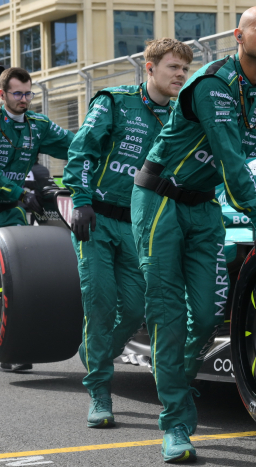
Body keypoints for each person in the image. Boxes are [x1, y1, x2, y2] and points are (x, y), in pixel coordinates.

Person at [131, 5, 256, 463]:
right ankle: (176, 421)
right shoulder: (213, 84)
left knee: (203, 314)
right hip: (158, 199)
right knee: (166, 313)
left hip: (201, 207)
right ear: (239, 36)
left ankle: (175, 380)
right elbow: (231, 161)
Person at [62, 38, 192, 429]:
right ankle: (100, 391)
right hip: (96, 219)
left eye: (185, 69)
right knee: (99, 302)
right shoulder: (114, 101)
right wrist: (81, 200)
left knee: (136, 309)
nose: (181, 75)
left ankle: (95, 351)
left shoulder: (180, 116)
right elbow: (81, 151)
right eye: (173, 67)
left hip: (139, 225)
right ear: (149, 68)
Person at [0, 67, 74, 371]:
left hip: (11, 210)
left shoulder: (38, 125)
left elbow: (74, 145)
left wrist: (103, 143)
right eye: (17, 93)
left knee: (18, 282)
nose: (24, 99)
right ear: (2, 94)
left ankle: (13, 349)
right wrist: (20, 192)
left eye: (28, 93)